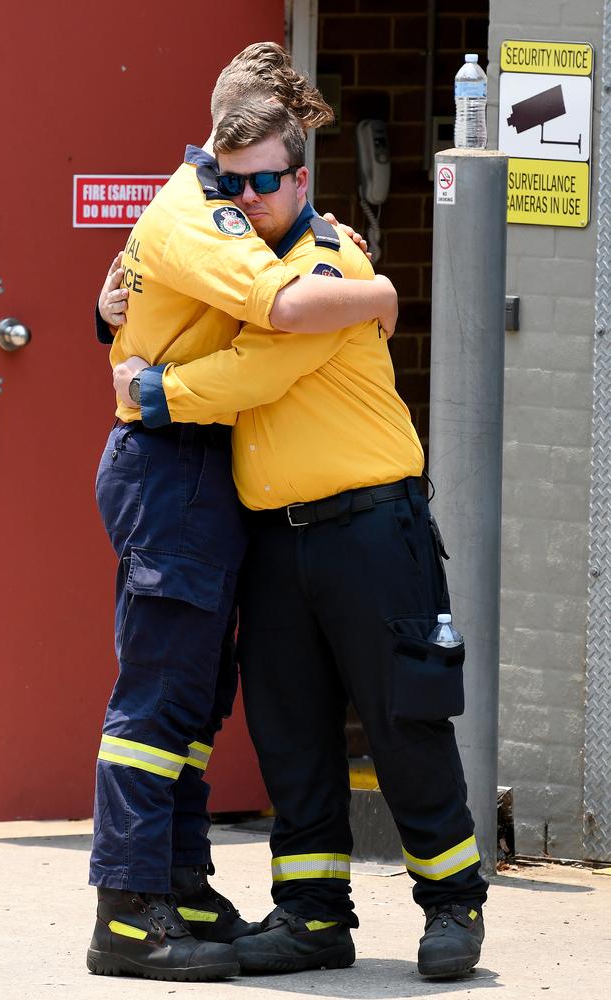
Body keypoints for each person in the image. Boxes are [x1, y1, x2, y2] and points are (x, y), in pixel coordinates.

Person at [113, 100, 489, 982]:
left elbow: (258, 370)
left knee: (406, 720)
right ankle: (314, 913)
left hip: (369, 526)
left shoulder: (330, 264)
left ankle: (452, 905)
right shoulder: (237, 266)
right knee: (291, 733)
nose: (250, 198)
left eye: (267, 181)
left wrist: (154, 391)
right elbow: (146, 298)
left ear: (301, 180)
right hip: (276, 540)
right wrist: (109, 317)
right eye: (233, 184)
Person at [88, 42, 398, 984]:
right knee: (157, 702)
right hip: (171, 462)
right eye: (252, 172)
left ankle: (177, 883)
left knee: (191, 701)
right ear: (222, 144)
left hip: (200, 468)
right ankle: (129, 913)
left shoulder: (219, 211)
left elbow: (127, 300)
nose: (265, 190)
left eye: (281, 175)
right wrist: (377, 291)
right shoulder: (202, 215)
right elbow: (282, 310)